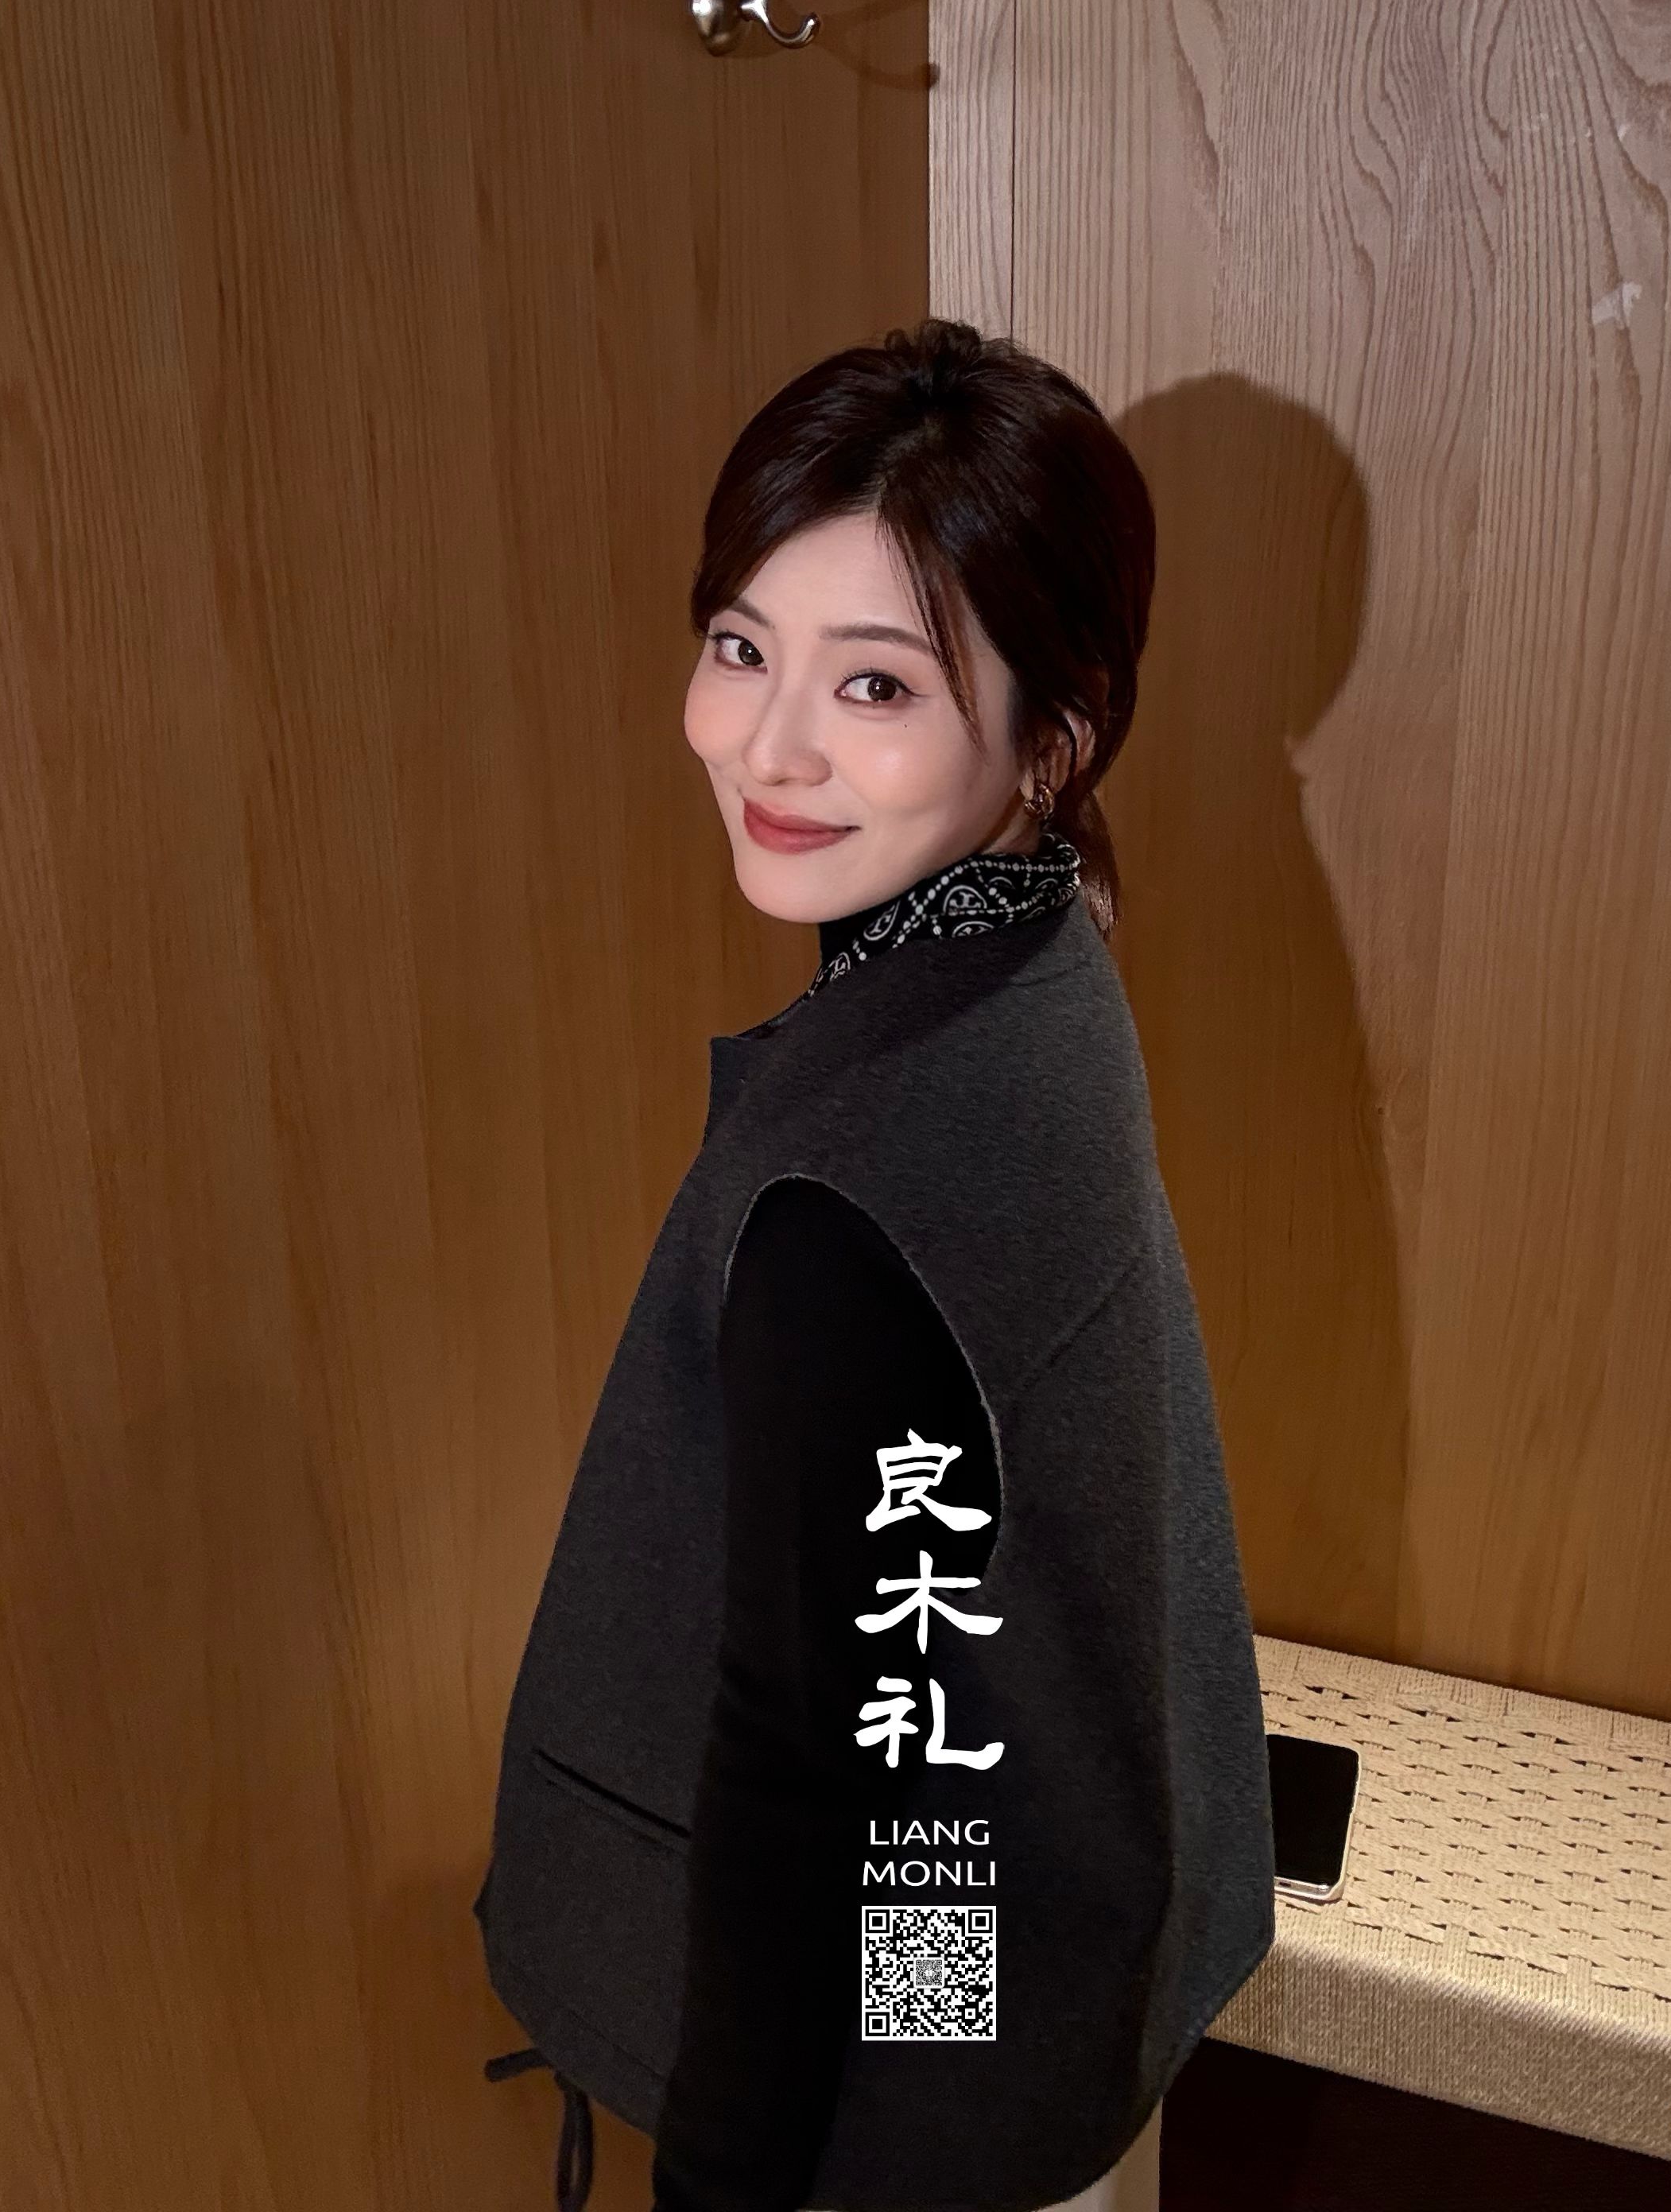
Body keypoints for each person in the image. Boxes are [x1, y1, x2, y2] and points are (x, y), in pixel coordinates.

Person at [473, 319, 1275, 2212]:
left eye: (876, 683)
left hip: (926, 2037)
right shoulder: (1036, 950)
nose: (768, 746)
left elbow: (800, 1770)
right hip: (1024, 1918)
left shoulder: (853, 1192)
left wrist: (724, 2186)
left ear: (1052, 736)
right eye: (741, 645)